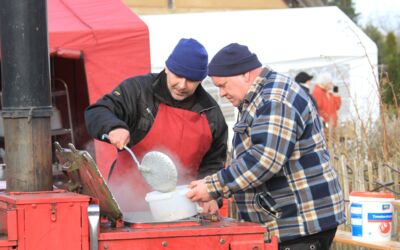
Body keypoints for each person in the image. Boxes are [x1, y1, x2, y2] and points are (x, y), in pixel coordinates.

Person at [186, 43, 345, 249]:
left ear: (245, 74)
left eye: (223, 85)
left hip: (300, 225)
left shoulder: (275, 99)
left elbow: (264, 159)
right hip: (288, 223)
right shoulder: (258, 97)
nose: (221, 94)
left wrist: (213, 187)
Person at [85, 38, 228, 214]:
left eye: (191, 80)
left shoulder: (212, 113)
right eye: (178, 75)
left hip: (181, 210)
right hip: (127, 206)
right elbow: (98, 110)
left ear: (201, 80)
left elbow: (213, 163)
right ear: (167, 68)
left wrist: (213, 195)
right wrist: (113, 127)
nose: (182, 85)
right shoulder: (138, 91)